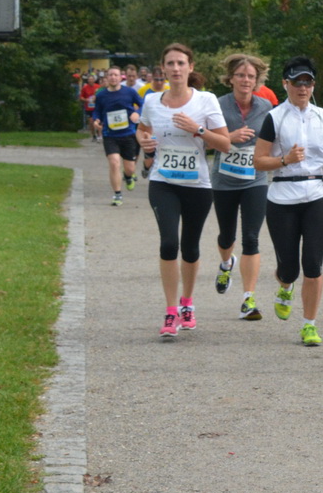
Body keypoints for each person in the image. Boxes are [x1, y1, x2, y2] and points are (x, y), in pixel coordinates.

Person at [138, 43, 231, 339]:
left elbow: (225, 144)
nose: (176, 69)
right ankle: (169, 312)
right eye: (170, 64)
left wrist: (198, 130)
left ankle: (187, 304)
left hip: (197, 185)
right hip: (163, 182)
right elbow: (142, 129)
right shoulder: (152, 101)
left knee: (190, 247)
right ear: (163, 68)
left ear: (191, 68)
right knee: (168, 243)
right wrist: (144, 141)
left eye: (181, 63)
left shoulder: (206, 100)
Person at [253, 56, 323, 346]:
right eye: (297, 82)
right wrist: (284, 159)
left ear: (313, 85)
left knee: (313, 263)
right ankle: (284, 285)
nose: (302, 88)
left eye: (307, 82)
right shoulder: (274, 117)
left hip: (316, 193)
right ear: (286, 84)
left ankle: (309, 324)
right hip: (282, 196)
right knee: (289, 267)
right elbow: (258, 161)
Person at [211, 54, 274, 319]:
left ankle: (249, 299)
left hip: (255, 180)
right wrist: (228, 137)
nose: (245, 80)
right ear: (231, 78)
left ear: (257, 79)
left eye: (250, 76)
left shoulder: (267, 107)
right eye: (240, 75)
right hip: (224, 181)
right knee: (227, 236)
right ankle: (227, 263)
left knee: (251, 238)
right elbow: (201, 138)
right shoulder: (217, 105)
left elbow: (275, 139)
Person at [90, 66, 145, 203]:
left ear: (121, 77)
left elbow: (143, 104)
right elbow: (97, 111)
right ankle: (117, 194)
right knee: (114, 163)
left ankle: (128, 177)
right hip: (110, 135)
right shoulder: (101, 95)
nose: (113, 77)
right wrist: (97, 120)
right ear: (107, 78)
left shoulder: (129, 92)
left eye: (116, 75)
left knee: (130, 168)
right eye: (110, 75)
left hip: (128, 134)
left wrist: (136, 113)